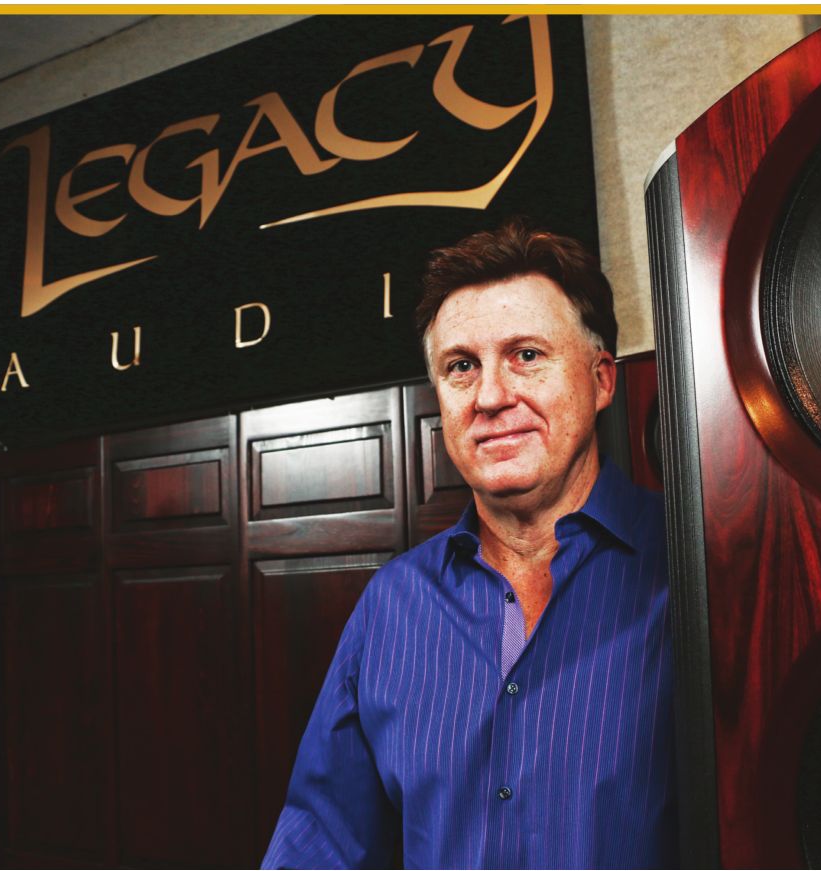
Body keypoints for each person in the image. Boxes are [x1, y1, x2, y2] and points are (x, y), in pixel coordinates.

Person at [262, 219, 676, 869]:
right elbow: (323, 839)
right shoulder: (393, 603)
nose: (490, 396)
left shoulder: (694, 564)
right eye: (461, 366)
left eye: (527, 355)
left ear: (601, 379)